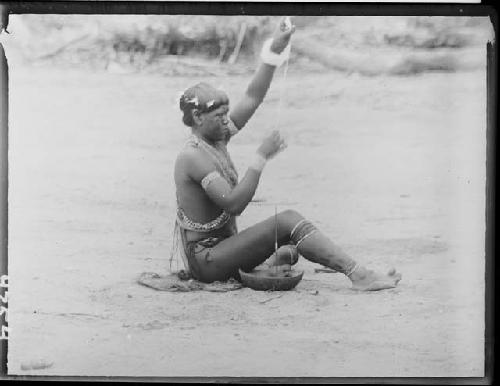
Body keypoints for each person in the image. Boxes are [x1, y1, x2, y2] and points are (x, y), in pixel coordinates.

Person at [171, 18, 402, 291]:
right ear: (197, 117)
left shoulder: (216, 137)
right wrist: (260, 157)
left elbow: (252, 97)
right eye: (219, 116)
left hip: (223, 249)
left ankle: (267, 263)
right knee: (290, 221)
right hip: (208, 260)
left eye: (226, 115)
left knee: (292, 247)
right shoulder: (192, 157)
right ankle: (359, 275)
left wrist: (273, 51)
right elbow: (233, 205)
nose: (226, 121)